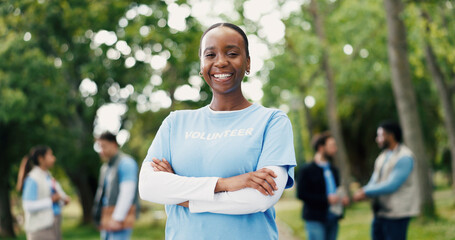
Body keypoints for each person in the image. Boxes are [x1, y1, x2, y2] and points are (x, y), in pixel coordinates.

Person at [138, 22, 297, 240]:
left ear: (248, 63)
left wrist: (182, 197)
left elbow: (259, 199)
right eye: (210, 55)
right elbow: (148, 186)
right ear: (202, 64)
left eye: (232, 53)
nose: (221, 62)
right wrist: (226, 184)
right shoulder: (176, 122)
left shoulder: (272, 121)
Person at [353, 121, 419, 240]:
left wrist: (365, 192)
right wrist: (363, 190)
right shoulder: (382, 157)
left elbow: (392, 185)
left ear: (391, 135)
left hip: (397, 213)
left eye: (380, 135)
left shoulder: (405, 157)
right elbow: (374, 180)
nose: (377, 139)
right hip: (380, 212)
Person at [296, 132, 349, 240]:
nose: (335, 149)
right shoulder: (306, 170)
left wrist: (342, 199)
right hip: (315, 219)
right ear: (321, 148)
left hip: (333, 217)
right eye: (331, 146)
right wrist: (326, 199)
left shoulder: (334, 170)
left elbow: (338, 189)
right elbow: (301, 194)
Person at [17, 145, 70, 240]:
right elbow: (28, 206)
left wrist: (62, 200)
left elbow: (52, 198)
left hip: (53, 225)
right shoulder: (33, 179)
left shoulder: (48, 176)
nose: (54, 158)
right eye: (50, 155)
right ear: (41, 159)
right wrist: (52, 200)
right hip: (40, 228)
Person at [93, 132, 139, 240]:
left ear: (113, 144)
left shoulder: (126, 163)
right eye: (99, 147)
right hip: (106, 216)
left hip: (120, 218)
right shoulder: (105, 167)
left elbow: (127, 193)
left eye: (103, 146)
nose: (101, 150)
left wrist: (117, 218)